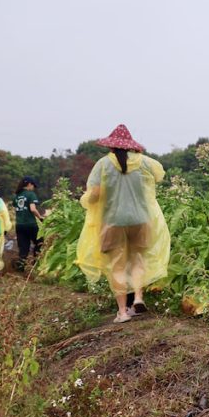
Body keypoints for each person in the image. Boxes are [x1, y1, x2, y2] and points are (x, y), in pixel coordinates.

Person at [76, 124, 170, 324]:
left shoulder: (103, 165)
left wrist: (86, 201)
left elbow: (95, 194)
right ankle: (137, 297)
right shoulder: (143, 162)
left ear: (111, 147)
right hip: (140, 219)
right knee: (137, 259)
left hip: (113, 221)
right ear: (130, 146)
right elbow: (159, 174)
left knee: (117, 266)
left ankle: (122, 312)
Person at [12, 176, 45, 270]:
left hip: (19, 225)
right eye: (33, 186)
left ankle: (21, 268)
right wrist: (40, 217)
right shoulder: (31, 194)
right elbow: (33, 209)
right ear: (29, 184)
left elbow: (16, 208)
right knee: (40, 243)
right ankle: (36, 265)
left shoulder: (17, 196)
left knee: (23, 248)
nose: (33, 188)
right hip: (31, 224)